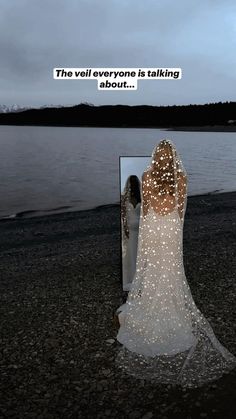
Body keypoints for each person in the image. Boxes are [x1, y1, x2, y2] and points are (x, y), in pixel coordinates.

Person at [115, 139, 236, 388]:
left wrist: (146, 243)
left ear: (156, 156)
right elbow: (181, 211)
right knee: (170, 270)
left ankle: (150, 310)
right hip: (170, 228)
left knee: (153, 271)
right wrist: (175, 234)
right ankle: (172, 313)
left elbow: (146, 209)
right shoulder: (181, 177)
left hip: (154, 228)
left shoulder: (147, 175)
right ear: (173, 157)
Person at [121, 175, 141, 291]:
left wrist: (125, 228)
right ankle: (136, 275)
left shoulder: (126, 198)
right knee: (136, 251)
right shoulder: (140, 198)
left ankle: (134, 276)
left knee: (133, 251)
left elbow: (123, 216)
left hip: (135, 228)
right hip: (136, 228)